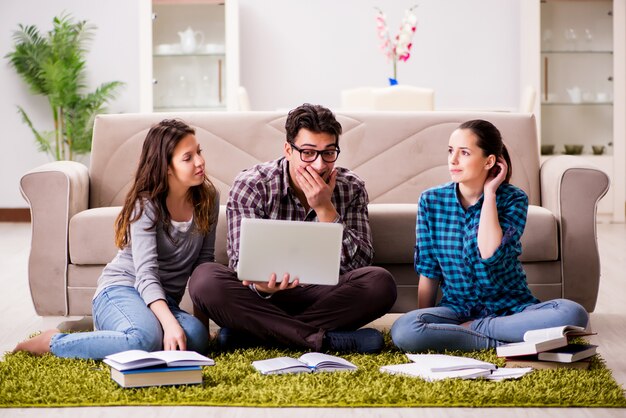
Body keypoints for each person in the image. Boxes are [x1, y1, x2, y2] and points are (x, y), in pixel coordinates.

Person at [189, 103, 397, 354]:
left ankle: (251, 335)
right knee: (204, 280)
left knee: (380, 283)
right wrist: (263, 286)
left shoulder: (350, 186)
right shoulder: (253, 185)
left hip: (325, 296)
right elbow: (239, 263)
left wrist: (325, 210)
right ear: (288, 150)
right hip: (262, 299)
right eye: (308, 153)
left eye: (329, 153)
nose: (320, 165)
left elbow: (362, 262)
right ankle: (324, 341)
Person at [14, 119, 219, 359]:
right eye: (188, 157)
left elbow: (203, 266)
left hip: (161, 302)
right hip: (122, 290)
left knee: (194, 338)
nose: (200, 161)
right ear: (166, 167)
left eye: (199, 152)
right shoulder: (147, 206)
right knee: (146, 339)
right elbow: (146, 274)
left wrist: (202, 330)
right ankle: (53, 341)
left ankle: (126, 334)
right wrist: (170, 325)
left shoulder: (208, 199)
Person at [390, 119, 589, 352]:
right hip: (457, 310)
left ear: (490, 161)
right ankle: (505, 341)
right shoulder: (430, 201)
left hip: (512, 309)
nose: (453, 160)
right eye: (450, 151)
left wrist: (490, 193)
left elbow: (489, 252)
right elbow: (429, 271)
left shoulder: (513, 199)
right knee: (405, 330)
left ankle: (477, 331)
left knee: (573, 313)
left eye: (464, 153)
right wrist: (425, 318)